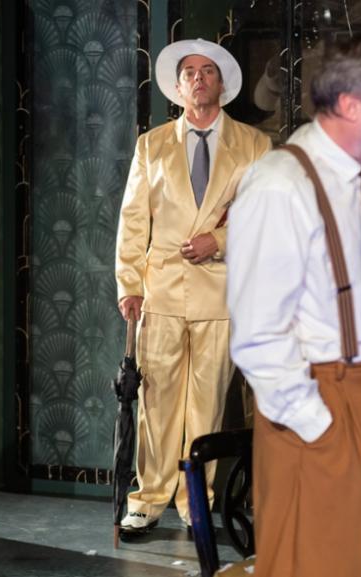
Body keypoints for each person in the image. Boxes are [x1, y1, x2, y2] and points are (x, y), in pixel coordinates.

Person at [227, 34, 361, 577]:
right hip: (322, 405)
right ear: (350, 105)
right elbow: (258, 335)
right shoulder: (279, 185)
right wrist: (317, 427)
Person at [114, 38, 271, 535]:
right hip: (160, 291)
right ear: (178, 86)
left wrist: (219, 241)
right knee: (156, 402)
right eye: (190, 73)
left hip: (222, 293)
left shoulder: (255, 144)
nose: (199, 79)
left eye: (208, 71)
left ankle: (195, 500)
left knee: (207, 406)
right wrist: (129, 284)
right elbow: (133, 220)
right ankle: (148, 498)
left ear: (222, 84)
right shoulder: (152, 145)